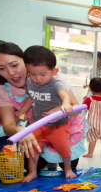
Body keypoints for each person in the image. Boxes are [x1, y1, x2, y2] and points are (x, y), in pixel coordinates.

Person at [0, 40, 86, 173]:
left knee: (67, 163)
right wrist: (21, 130)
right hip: (36, 128)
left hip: (63, 126)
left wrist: (62, 111)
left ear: (25, 62)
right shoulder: (2, 89)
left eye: (14, 65)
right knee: (31, 164)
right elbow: (8, 126)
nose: (11, 73)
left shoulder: (52, 78)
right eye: (1, 68)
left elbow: (75, 106)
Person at [17, 46, 75, 182]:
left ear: (54, 71)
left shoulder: (56, 83)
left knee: (64, 149)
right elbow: (31, 98)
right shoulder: (30, 82)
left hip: (57, 126)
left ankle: (68, 169)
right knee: (32, 149)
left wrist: (65, 104)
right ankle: (32, 172)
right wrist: (23, 111)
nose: (37, 78)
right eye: (32, 74)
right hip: (37, 123)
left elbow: (64, 95)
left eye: (42, 75)